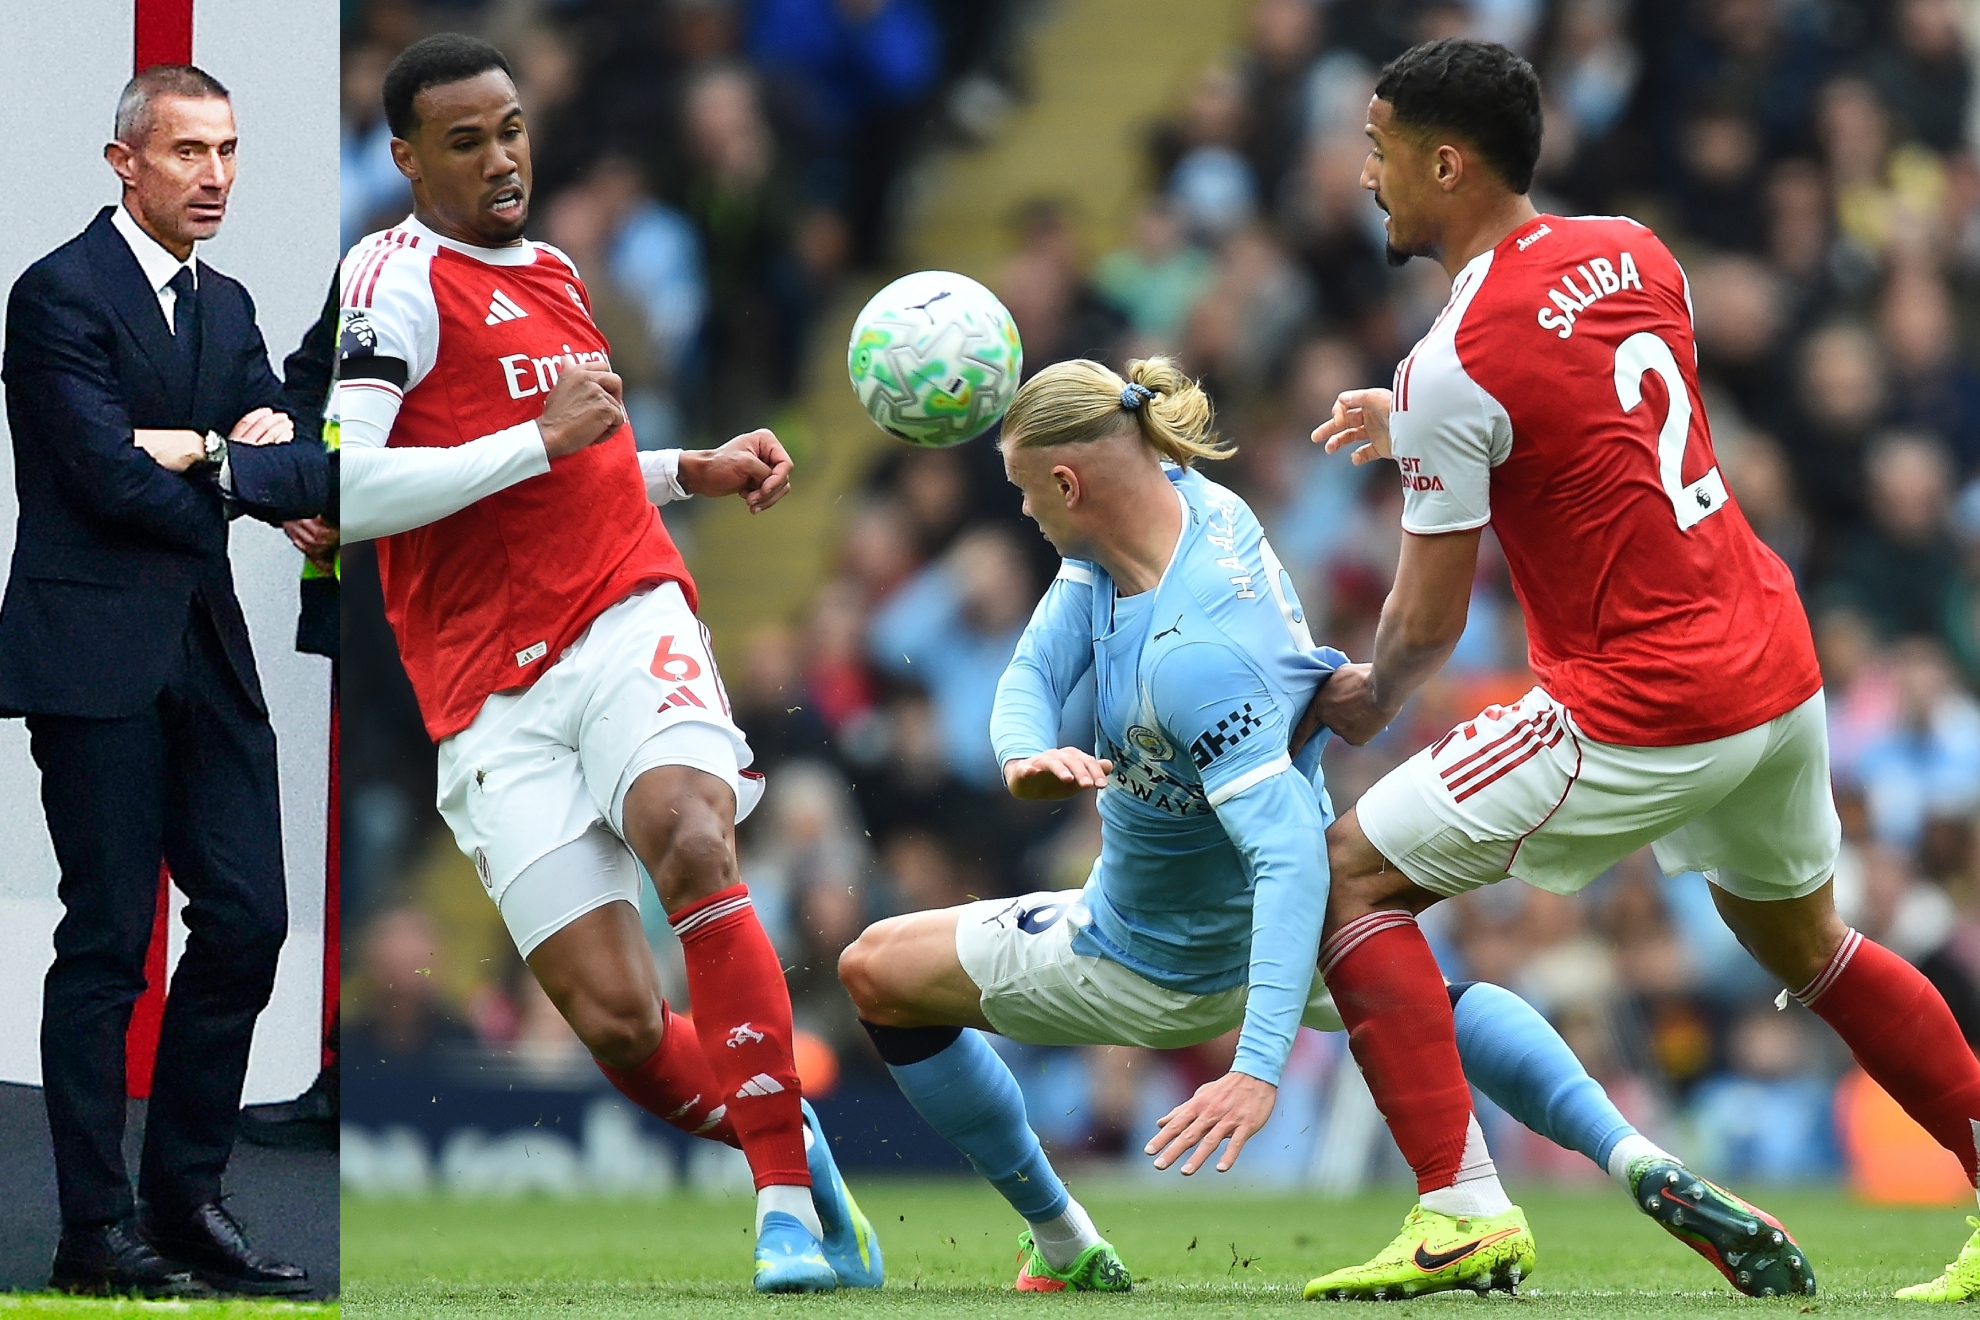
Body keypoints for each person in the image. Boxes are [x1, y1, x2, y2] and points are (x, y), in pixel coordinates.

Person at [838, 356, 1800, 1296]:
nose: (1022, 513)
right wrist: (1023, 754)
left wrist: (1256, 1068)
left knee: (874, 972)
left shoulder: (1194, 655)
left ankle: (1060, 1239)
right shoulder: (1186, 512)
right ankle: (1631, 1157)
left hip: (1155, 953)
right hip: (1297, 939)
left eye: (1022, 491)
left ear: (1066, 480)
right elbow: (1033, 674)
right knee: (1444, 1003)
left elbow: (1286, 855)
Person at [1297, 38, 1980, 1303]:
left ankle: (1460, 1210)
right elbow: (1594, 409)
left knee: (1346, 877)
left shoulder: (1451, 361)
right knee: (1810, 946)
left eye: (1382, 151)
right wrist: (1419, 428)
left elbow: (1427, 629)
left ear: (1447, 162)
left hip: (1642, 699)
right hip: (1772, 659)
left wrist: (1359, 700)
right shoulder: (1633, 247)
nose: (1366, 174)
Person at [333, 34, 879, 1294]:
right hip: (480, 684)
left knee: (689, 835)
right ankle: (784, 1133)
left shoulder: (560, 271)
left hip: (622, 606)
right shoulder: (393, 277)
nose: (502, 158)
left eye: (512, 128)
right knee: (620, 1022)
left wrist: (687, 469)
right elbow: (350, 489)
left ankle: (782, 1208)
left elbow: (571, 465)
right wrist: (537, 436)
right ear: (407, 159)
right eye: (464, 141)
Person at [0, 65, 322, 1298]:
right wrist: (220, 462)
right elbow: (98, 479)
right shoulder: (55, 295)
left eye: (229, 150)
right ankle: (94, 1231)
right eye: (189, 151)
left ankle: (187, 1201)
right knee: (107, 944)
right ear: (122, 160)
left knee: (250, 920)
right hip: (90, 657)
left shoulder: (229, 306)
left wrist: (194, 451)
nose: (216, 176)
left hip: (206, 646)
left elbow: (286, 467)